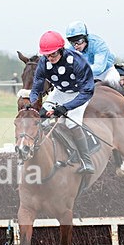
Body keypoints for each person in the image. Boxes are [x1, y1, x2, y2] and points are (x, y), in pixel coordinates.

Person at [29, 31, 95, 174]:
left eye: (53, 54)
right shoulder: (44, 62)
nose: (50, 58)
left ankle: (86, 160)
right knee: (41, 120)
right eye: (47, 55)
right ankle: (50, 155)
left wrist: (66, 108)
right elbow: (36, 88)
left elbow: (87, 91)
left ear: (61, 50)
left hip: (80, 93)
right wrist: (34, 106)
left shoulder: (77, 61)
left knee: (71, 123)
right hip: (59, 92)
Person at [64, 21, 121, 88]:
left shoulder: (98, 44)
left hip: (106, 73)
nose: (76, 46)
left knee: (112, 83)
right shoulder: (71, 48)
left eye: (79, 41)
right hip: (89, 76)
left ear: (86, 37)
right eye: (72, 42)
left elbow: (98, 68)